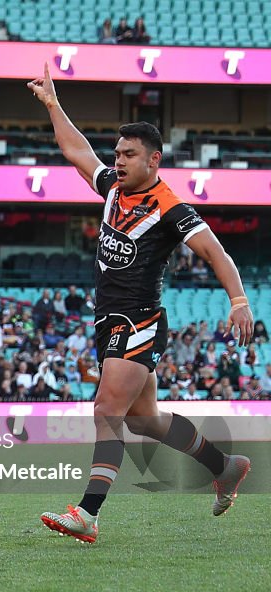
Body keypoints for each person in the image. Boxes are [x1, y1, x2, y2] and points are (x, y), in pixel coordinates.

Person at [28, 63, 253, 543]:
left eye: (129, 154)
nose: (119, 160)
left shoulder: (171, 208)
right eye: (118, 153)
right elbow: (76, 151)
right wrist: (53, 104)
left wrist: (238, 299)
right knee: (144, 420)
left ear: (154, 161)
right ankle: (225, 466)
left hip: (141, 319)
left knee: (107, 408)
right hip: (109, 319)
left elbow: (216, 251)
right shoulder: (113, 187)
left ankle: (88, 513)